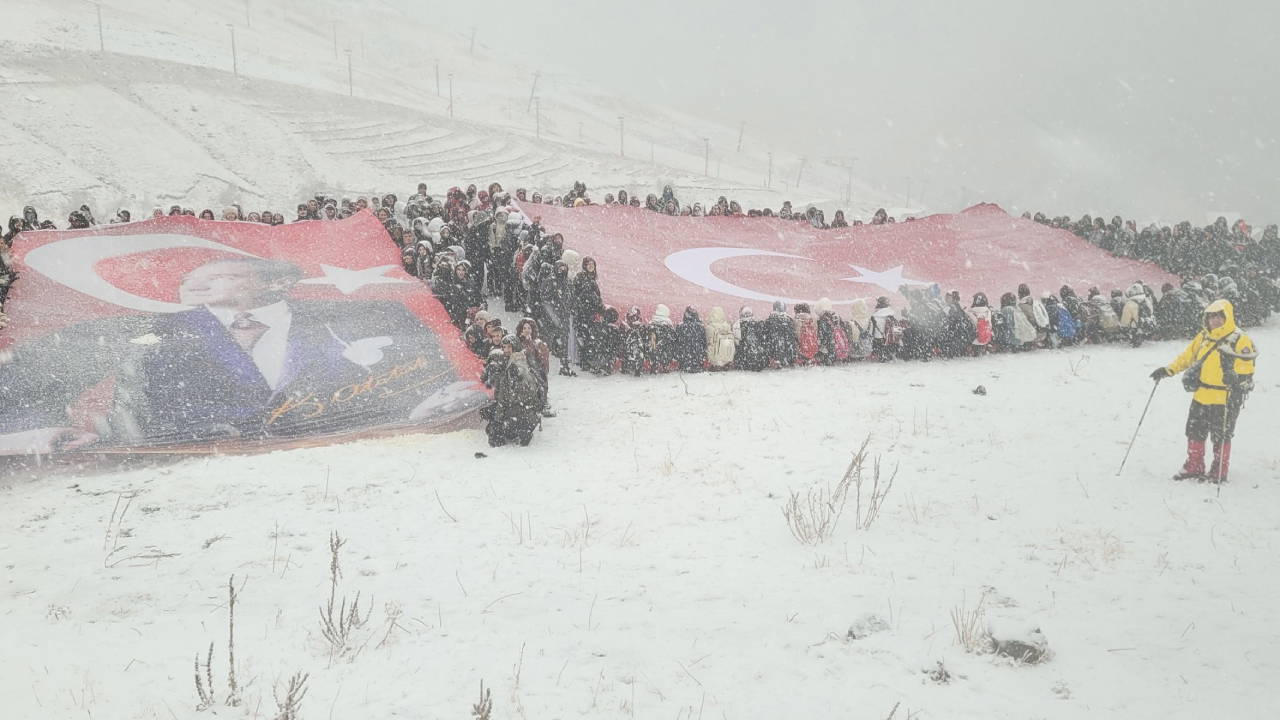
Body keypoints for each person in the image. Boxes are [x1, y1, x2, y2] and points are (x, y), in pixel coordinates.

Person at [0, 258, 471, 453]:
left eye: (220, 273)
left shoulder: (376, 315)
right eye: (192, 277)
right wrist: (26, 434)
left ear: (270, 282)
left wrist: (428, 405)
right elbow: (36, 380)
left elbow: (435, 382)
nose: (197, 281)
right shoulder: (144, 332)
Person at [1150, 300, 1256, 482]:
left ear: (1227, 316)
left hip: (1225, 397)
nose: (1214, 320)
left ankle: (1219, 469)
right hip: (1201, 395)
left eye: (1218, 316)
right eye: (1211, 316)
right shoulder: (1204, 337)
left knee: (1221, 435)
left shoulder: (1239, 339)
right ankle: (1195, 465)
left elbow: (1247, 367)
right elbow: (1187, 357)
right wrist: (1169, 370)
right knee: (1194, 431)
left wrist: (1235, 376)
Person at [675, 306, 707, 372]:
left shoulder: (680, 326)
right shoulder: (701, 327)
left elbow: (677, 343)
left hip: (684, 361)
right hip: (698, 361)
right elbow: (704, 343)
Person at [705, 306, 736, 370]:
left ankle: (716, 364)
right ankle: (725, 363)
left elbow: (708, 341)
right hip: (727, 357)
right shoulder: (727, 326)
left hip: (715, 358)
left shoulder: (710, 327)